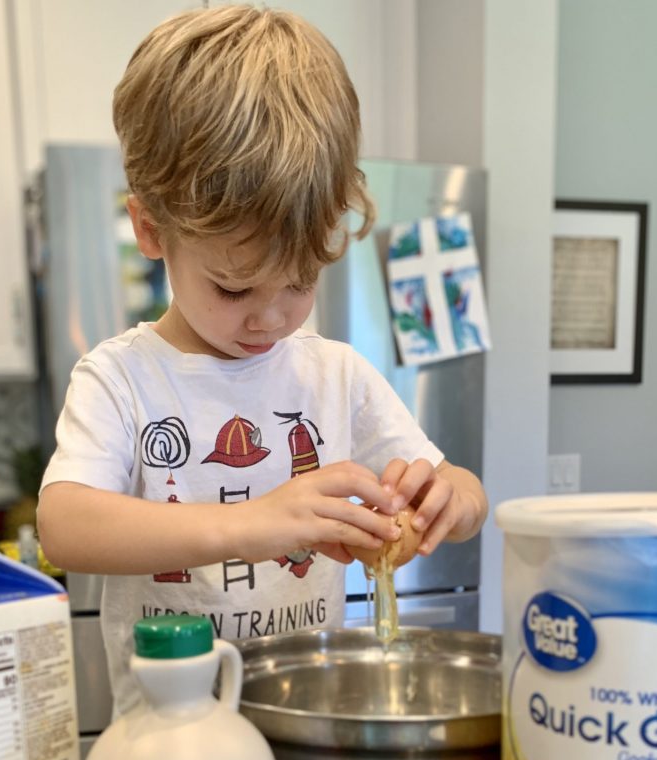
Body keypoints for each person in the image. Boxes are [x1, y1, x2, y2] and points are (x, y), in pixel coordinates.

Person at [37, 4, 488, 716]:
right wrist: (254, 523)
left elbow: (455, 489)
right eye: (235, 286)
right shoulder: (122, 379)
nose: (272, 317)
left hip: (310, 733)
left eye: (302, 280)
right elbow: (65, 527)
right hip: (171, 747)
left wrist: (452, 501)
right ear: (151, 231)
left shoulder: (334, 376)